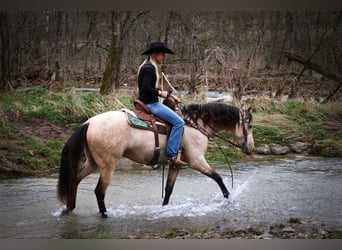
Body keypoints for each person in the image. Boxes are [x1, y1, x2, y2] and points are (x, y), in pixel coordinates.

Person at [138, 42, 186, 166]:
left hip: (147, 101)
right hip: (151, 104)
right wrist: (161, 93)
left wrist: (168, 94)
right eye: (162, 55)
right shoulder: (149, 69)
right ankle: (172, 156)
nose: (163, 57)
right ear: (155, 54)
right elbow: (146, 88)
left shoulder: (146, 66)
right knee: (179, 123)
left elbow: (149, 87)